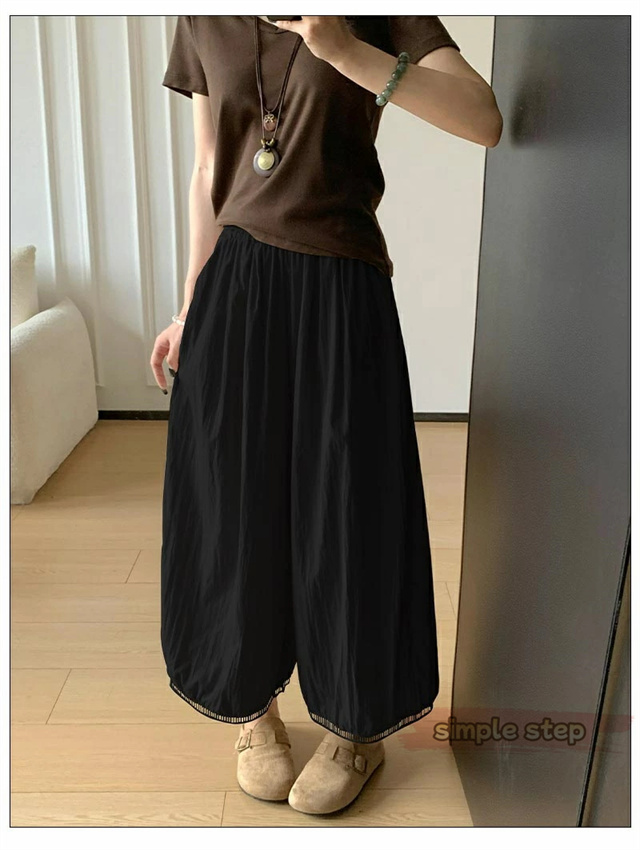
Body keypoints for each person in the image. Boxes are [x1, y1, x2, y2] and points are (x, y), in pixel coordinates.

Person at [151, 14, 502, 815]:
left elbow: (483, 119)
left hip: (342, 285)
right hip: (236, 286)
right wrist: (188, 307)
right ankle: (254, 711)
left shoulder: (369, 11)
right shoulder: (202, 16)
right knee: (235, 505)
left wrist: (343, 48)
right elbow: (209, 168)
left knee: (348, 508)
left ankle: (354, 727)